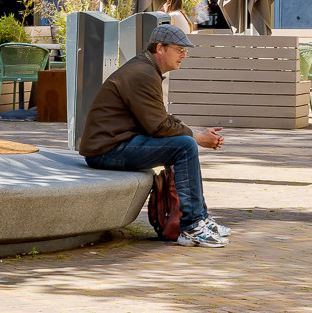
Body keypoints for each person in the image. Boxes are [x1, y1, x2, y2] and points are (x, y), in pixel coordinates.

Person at [78, 22, 228, 248]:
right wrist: (197, 137)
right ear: (160, 48)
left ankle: (200, 218)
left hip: (115, 144)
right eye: (179, 50)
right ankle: (191, 226)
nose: (184, 55)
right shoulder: (142, 73)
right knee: (185, 146)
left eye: (185, 51)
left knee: (184, 143)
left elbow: (159, 118)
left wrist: (194, 134)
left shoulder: (146, 69)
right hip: (106, 151)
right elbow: (158, 126)